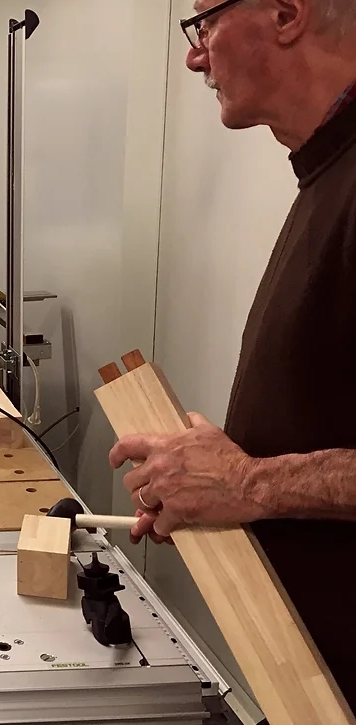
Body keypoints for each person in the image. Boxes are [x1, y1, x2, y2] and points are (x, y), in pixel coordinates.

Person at [105, 0, 356, 707]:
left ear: (285, 14)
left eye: (203, 24)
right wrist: (214, 472)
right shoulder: (326, 174)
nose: (194, 56)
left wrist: (251, 484)